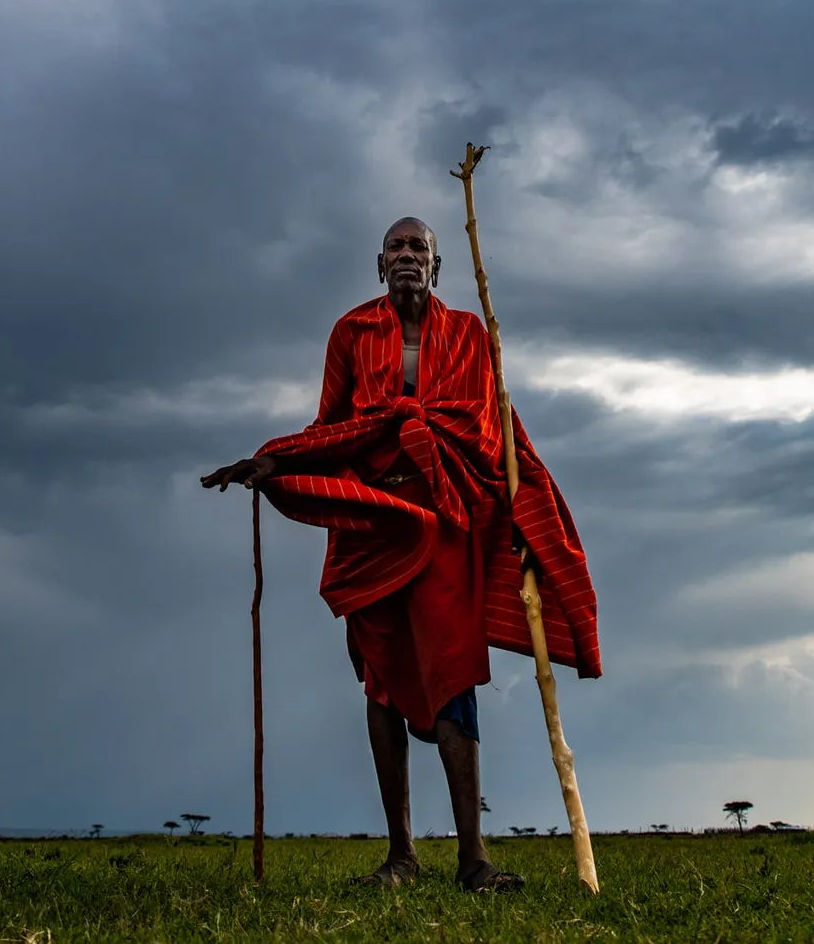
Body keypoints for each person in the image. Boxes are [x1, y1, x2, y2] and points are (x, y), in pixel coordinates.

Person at [204, 217, 600, 893]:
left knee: (451, 674)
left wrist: (524, 516)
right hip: (375, 524)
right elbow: (333, 426)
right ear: (378, 264)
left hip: (447, 523)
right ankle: (401, 855)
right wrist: (275, 459)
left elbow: (494, 432)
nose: (408, 255)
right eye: (397, 247)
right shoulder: (351, 333)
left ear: (438, 267)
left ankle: (473, 860)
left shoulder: (472, 335)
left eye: (420, 247)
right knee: (381, 680)